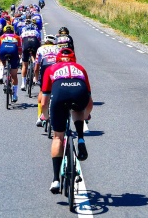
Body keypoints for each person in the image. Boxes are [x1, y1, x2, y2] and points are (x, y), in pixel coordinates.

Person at [41, 48, 93, 193]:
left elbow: (44, 101)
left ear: (58, 59)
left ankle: (56, 180)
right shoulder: (80, 68)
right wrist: (87, 115)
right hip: (79, 93)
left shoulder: (51, 68)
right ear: (73, 60)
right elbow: (89, 101)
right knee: (78, 110)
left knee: (58, 137)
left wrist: (46, 116)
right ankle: (81, 139)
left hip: (59, 96)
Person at [34, 34, 59, 126]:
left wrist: (36, 78)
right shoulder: (58, 48)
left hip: (45, 68)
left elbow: (37, 66)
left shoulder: (41, 49)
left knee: (42, 90)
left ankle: (40, 117)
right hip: (56, 68)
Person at [0, 25, 22, 102]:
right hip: (13, 52)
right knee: (14, 75)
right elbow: (20, 50)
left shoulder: (2, 37)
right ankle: (14, 95)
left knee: (2, 61)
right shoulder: (17, 37)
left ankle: (1, 75)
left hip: (3, 51)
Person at [19, 22, 41, 92]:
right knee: (36, 59)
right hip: (34, 44)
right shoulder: (36, 32)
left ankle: (23, 83)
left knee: (24, 65)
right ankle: (35, 73)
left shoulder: (23, 33)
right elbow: (39, 42)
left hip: (26, 45)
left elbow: (20, 43)